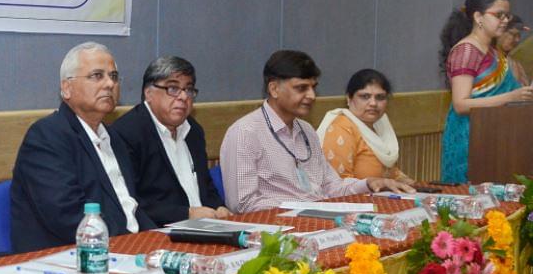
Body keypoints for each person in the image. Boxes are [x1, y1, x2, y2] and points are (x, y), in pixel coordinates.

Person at [220, 50, 414, 213]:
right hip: (276, 231)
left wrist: (370, 183)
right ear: (274, 89)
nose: (312, 96)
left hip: (317, 220)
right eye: (301, 88)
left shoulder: (306, 130)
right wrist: (305, 208)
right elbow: (243, 203)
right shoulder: (245, 133)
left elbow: (331, 186)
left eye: (313, 87)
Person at [10, 42, 156, 253]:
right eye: (97, 76)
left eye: (114, 76)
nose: (109, 84)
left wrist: (158, 241)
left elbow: (131, 207)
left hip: (124, 249)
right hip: (70, 257)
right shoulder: (47, 136)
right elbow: (68, 218)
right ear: (66, 88)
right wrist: (133, 245)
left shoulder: (114, 137)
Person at [111, 56, 229, 225]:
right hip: (159, 232)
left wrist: (219, 207)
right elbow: (131, 202)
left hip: (205, 228)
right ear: (149, 93)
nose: (184, 96)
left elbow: (206, 186)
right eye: (173, 88)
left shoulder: (193, 130)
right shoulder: (127, 133)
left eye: (188, 89)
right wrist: (186, 214)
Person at [438, 0, 533, 183]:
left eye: (507, 16)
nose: (505, 21)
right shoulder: (466, 50)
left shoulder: (494, 53)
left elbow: (513, 91)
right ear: (478, 17)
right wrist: (511, 97)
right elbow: (461, 104)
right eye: (499, 15)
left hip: (497, 135)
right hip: (470, 137)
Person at [317, 69, 415, 184]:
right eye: (365, 96)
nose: (373, 103)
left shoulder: (380, 125)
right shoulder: (342, 128)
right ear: (349, 98)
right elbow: (338, 184)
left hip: (382, 194)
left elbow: (391, 172)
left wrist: (411, 184)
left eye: (380, 97)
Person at [496, 14, 530, 86]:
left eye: (519, 36)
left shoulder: (515, 63)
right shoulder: (487, 59)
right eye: (513, 34)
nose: (517, 40)